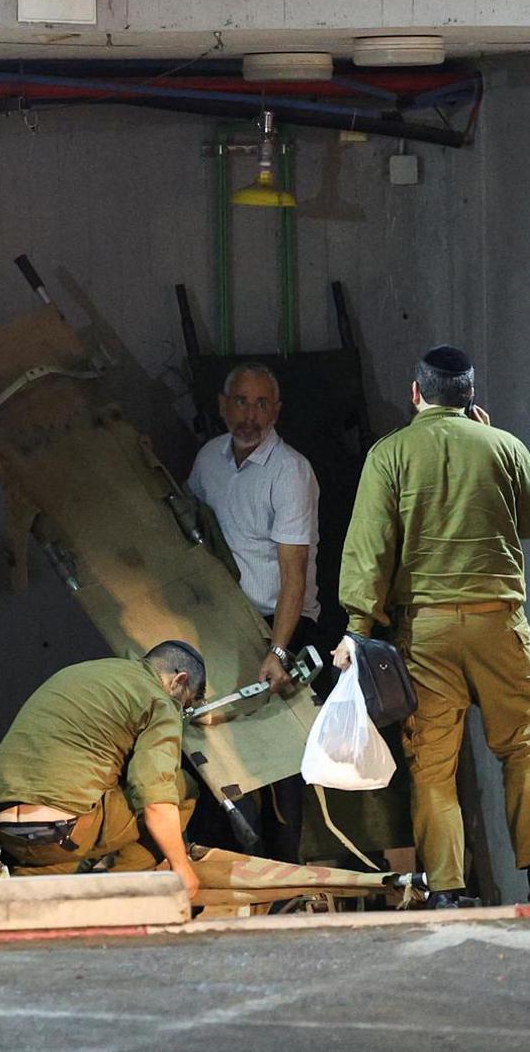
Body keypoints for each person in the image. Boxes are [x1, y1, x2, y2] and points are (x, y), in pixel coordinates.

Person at [334, 344, 530, 907]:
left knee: (433, 765)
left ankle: (446, 889)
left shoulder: (389, 454)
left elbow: (371, 549)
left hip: (428, 632)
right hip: (499, 625)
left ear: (416, 394)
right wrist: (492, 444)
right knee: (523, 745)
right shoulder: (503, 446)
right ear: (470, 399)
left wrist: (357, 626)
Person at [187, 362, 321, 862]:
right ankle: (223, 864)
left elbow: (295, 572)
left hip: (277, 622)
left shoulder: (290, 471)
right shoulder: (208, 460)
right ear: (223, 405)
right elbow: (192, 532)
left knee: (281, 758)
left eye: (262, 404)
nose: (250, 415)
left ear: (276, 411)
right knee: (215, 747)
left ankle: (285, 871)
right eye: (241, 402)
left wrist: (279, 650)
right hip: (222, 623)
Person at [0, 641, 207, 898]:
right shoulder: (159, 700)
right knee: (184, 787)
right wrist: (181, 867)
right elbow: (155, 797)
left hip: (3, 827)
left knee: (91, 804)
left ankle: (36, 883)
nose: (182, 711)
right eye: (186, 704)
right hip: (62, 830)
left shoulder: (87, 672)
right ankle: (114, 895)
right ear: (179, 681)